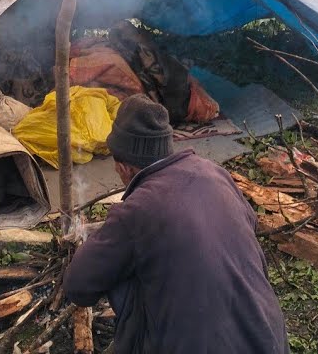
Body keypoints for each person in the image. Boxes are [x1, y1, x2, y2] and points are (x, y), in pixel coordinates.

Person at [62, 95, 289, 354]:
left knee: (122, 271)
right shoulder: (214, 173)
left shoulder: (137, 210)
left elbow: (77, 287)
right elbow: (250, 224)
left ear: (124, 167)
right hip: (268, 339)